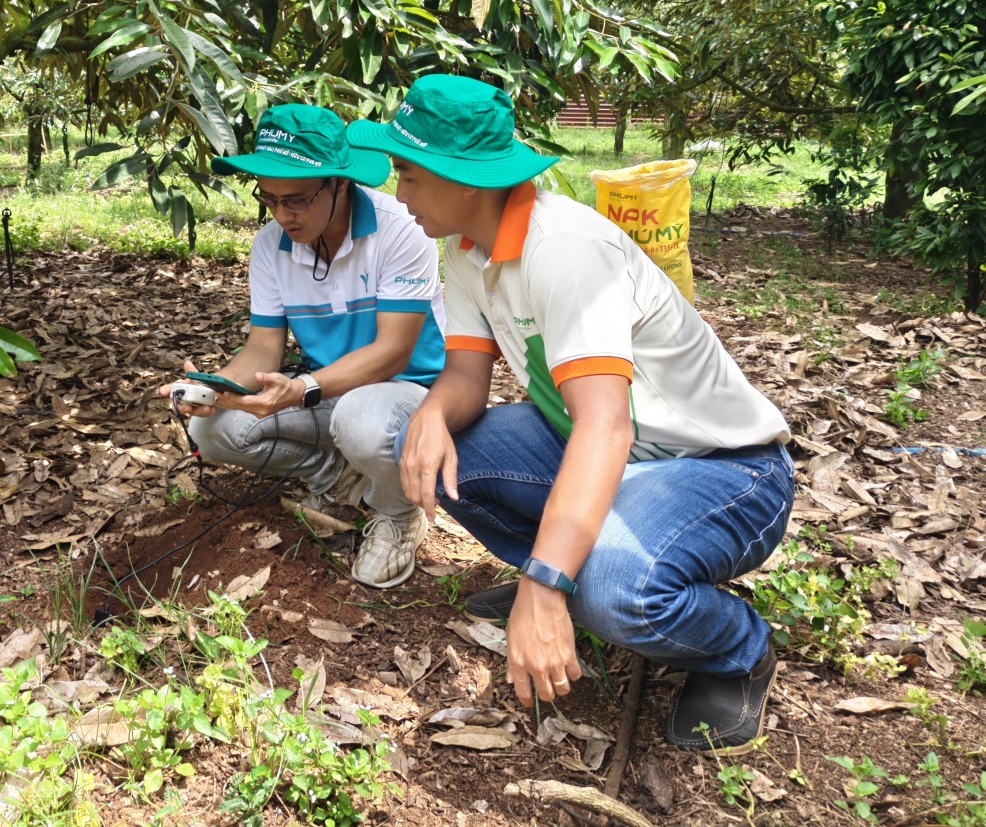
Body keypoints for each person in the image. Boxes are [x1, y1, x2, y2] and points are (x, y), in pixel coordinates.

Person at [347, 75, 794, 753]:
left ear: (464, 181)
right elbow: (466, 374)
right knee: (428, 449)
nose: (397, 191)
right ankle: (562, 571)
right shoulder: (465, 249)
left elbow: (605, 425)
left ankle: (739, 649)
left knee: (613, 591)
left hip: (721, 469)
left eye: (408, 174)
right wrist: (433, 413)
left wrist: (547, 583)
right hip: (600, 450)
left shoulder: (564, 249)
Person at [158, 104, 447, 589]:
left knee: (360, 418)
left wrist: (302, 388)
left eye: (296, 200)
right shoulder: (271, 246)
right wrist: (216, 387)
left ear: (340, 184)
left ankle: (397, 514)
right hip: (325, 392)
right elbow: (263, 349)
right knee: (213, 431)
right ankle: (336, 475)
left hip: (408, 394)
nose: (282, 215)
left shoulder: (401, 229)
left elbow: (394, 352)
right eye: (269, 199)